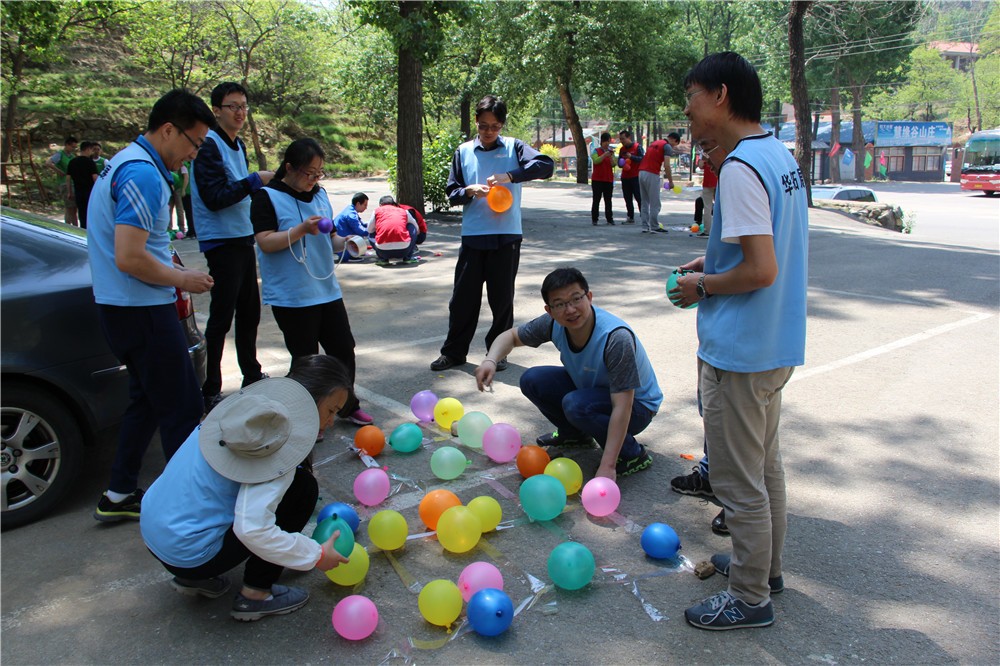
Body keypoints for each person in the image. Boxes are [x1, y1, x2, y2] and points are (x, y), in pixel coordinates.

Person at [670, 52, 808, 631]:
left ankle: (750, 597)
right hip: (776, 343)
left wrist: (702, 284)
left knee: (735, 480)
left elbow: (760, 270)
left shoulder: (738, 167)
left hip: (741, 350)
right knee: (764, 466)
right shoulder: (778, 155)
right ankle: (765, 568)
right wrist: (715, 257)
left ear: (721, 96)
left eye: (692, 98)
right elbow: (760, 247)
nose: (687, 111)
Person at [140, 356, 351, 622]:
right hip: (189, 553)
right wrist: (316, 554)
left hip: (154, 534)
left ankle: (192, 577)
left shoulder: (242, 411)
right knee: (303, 489)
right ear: (309, 399)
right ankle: (256, 595)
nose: (332, 422)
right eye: (331, 410)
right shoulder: (276, 444)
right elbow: (252, 529)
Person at [87, 89, 216, 522]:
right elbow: (130, 256)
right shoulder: (142, 173)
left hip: (123, 309)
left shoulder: (123, 161)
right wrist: (184, 279)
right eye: (194, 143)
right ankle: (189, 514)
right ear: (167, 130)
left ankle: (119, 492)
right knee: (182, 408)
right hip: (141, 310)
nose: (194, 155)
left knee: (145, 400)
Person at [475, 267, 660, 480]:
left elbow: (623, 405)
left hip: (638, 407)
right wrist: (490, 360)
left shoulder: (615, 338)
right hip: (595, 392)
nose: (570, 310)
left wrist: (607, 466)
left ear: (589, 297)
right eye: (560, 304)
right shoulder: (553, 323)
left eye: (576, 299)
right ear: (549, 310)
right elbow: (511, 336)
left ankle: (632, 454)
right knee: (532, 379)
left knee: (576, 404)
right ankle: (574, 435)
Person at [251, 138, 373, 430]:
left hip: (325, 289)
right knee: (306, 360)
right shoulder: (266, 197)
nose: (314, 179)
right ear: (289, 168)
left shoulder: (319, 194)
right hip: (291, 295)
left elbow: (329, 238)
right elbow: (266, 242)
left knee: (343, 349)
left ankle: (346, 406)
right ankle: (309, 418)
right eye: (309, 173)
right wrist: (300, 230)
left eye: (319, 173)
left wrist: (347, 243)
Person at [431, 95, 554, 372]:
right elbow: (452, 194)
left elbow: (546, 165)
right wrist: (468, 191)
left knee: (502, 300)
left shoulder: (514, 147)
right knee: (462, 299)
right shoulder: (462, 152)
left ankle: (496, 354)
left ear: (502, 125)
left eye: (495, 126)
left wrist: (509, 176)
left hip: (506, 236)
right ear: (476, 121)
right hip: (474, 236)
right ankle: (453, 353)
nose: (488, 132)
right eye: (484, 125)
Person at [191, 82, 274, 413]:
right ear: (217, 110)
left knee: (249, 312)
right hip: (221, 241)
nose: (240, 113)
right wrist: (254, 181)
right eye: (232, 106)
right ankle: (211, 387)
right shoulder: (208, 146)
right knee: (221, 316)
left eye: (244, 106)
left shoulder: (236, 144)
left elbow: (239, 192)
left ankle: (251, 374)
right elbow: (215, 198)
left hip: (242, 237)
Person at [670, 137, 729, 536]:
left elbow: (762, 267)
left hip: (738, 338)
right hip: (715, 332)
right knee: (710, 410)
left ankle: (737, 502)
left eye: (708, 144)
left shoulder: (746, 174)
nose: (703, 155)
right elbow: (739, 252)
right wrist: (708, 263)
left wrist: (703, 284)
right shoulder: (732, 178)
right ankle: (712, 474)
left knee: (733, 426)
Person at [637, 132, 681, 233]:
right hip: (652, 173)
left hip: (641, 172)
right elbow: (667, 165)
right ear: (674, 140)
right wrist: (671, 181)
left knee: (644, 201)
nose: (673, 147)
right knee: (655, 202)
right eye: (675, 144)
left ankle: (645, 226)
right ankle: (654, 226)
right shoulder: (667, 146)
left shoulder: (654, 143)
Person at [368, 195, 420, 265]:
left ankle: (383, 259)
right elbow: (416, 229)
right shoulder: (404, 211)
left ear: (380, 205)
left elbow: (369, 229)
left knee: (370, 233)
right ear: (393, 204)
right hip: (404, 250)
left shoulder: (376, 211)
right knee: (411, 226)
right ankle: (408, 258)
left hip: (383, 251)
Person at [66, 141, 100, 229]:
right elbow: (95, 177)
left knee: (81, 213)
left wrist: (69, 192)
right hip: (90, 191)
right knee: (91, 212)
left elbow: (68, 178)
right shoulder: (90, 162)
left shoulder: (72, 162)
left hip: (78, 191)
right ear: (88, 149)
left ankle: (83, 229)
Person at [47, 136, 78, 226]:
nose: (73, 149)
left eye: (75, 147)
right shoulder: (60, 154)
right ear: (67, 145)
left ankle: (69, 224)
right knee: (70, 207)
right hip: (64, 183)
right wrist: (59, 171)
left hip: (73, 182)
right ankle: (72, 226)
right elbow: (49, 163)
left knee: (72, 207)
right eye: (72, 147)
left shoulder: (72, 156)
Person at [617, 130, 644, 224]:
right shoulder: (622, 149)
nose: (621, 141)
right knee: (627, 198)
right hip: (625, 177)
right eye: (620, 139)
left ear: (629, 138)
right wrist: (621, 163)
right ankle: (630, 216)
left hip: (635, 176)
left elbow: (642, 159)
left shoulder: (637, 147)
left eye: (623, 139)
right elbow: (619, 162)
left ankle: (644, 216)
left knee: (639, 197)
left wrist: (631, 157)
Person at [590, 132, 615, 226]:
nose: (608, 144)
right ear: (603, 141)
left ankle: (609, 218)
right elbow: (596, 161)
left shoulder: (611, 152)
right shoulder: (596, 151)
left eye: (609, 142)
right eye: (607, 141)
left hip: (608, 179)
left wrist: (611, 157)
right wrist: (604, 155)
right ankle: (594, 218)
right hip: (597, 179)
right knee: (596, 199)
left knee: (608, 200)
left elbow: (613, 164)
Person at [694, 141, 718, 237]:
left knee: (707, 207)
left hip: (708, 182)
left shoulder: (704, 152)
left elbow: (700, 165)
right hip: (719, 180)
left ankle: (707, 230)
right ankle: (721, 229)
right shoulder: (720, 150)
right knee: (721, 207)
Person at [180, 159, 195, 237]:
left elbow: (186, 177)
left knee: (188, 212)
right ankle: (193, 230)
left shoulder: (183, 164)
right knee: (192, 212)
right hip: (192, 191)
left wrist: (183, 190)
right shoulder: (191, 164)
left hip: (187, 191)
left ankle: (191, 230)